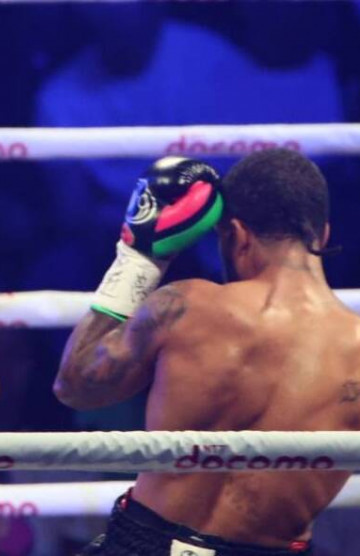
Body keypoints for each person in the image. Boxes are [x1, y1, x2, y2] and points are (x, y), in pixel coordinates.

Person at [54, 149, 360, 556]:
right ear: (323, 234)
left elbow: (75, 385)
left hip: (146, 544)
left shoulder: (188, 306)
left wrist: (138, 259)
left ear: (235, 233)